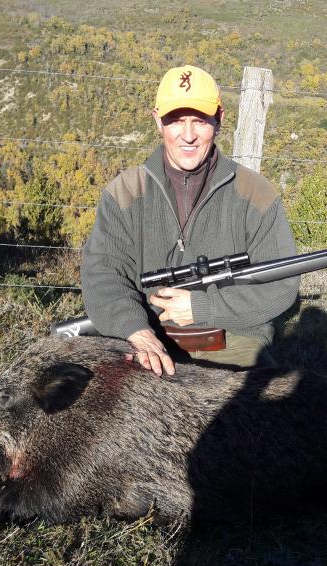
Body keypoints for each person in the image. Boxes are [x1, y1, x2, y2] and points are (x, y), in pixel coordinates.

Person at [81, 65, 299, 376]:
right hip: (149, 339)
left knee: (260, 403)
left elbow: (282, 285)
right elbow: (103, 274)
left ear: (219, 119)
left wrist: (202, 308)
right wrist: (136, 331)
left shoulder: (256, 193)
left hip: (234, 340)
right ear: (157, 120)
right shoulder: (123, 192)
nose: (188, 135)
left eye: (199, 120)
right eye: (175, 120)